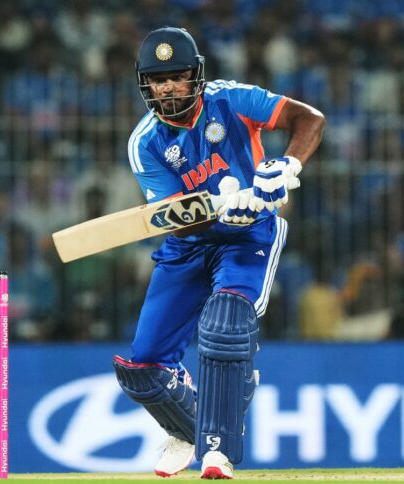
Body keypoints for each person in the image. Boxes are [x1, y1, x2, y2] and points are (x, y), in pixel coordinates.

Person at [111, 27, 324, 479]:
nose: (167, 87)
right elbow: (181, 219)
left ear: (197, 76)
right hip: (187, 245)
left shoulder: (233, 99)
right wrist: (228, 206)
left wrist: (287, 165)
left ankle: (217, 453)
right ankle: (197, 421)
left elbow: (310, 119)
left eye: (177, 76)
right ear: (144, 84)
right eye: (156, 79)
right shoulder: (146, 142)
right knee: (141, 369)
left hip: (250, 241)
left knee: (225, 328)